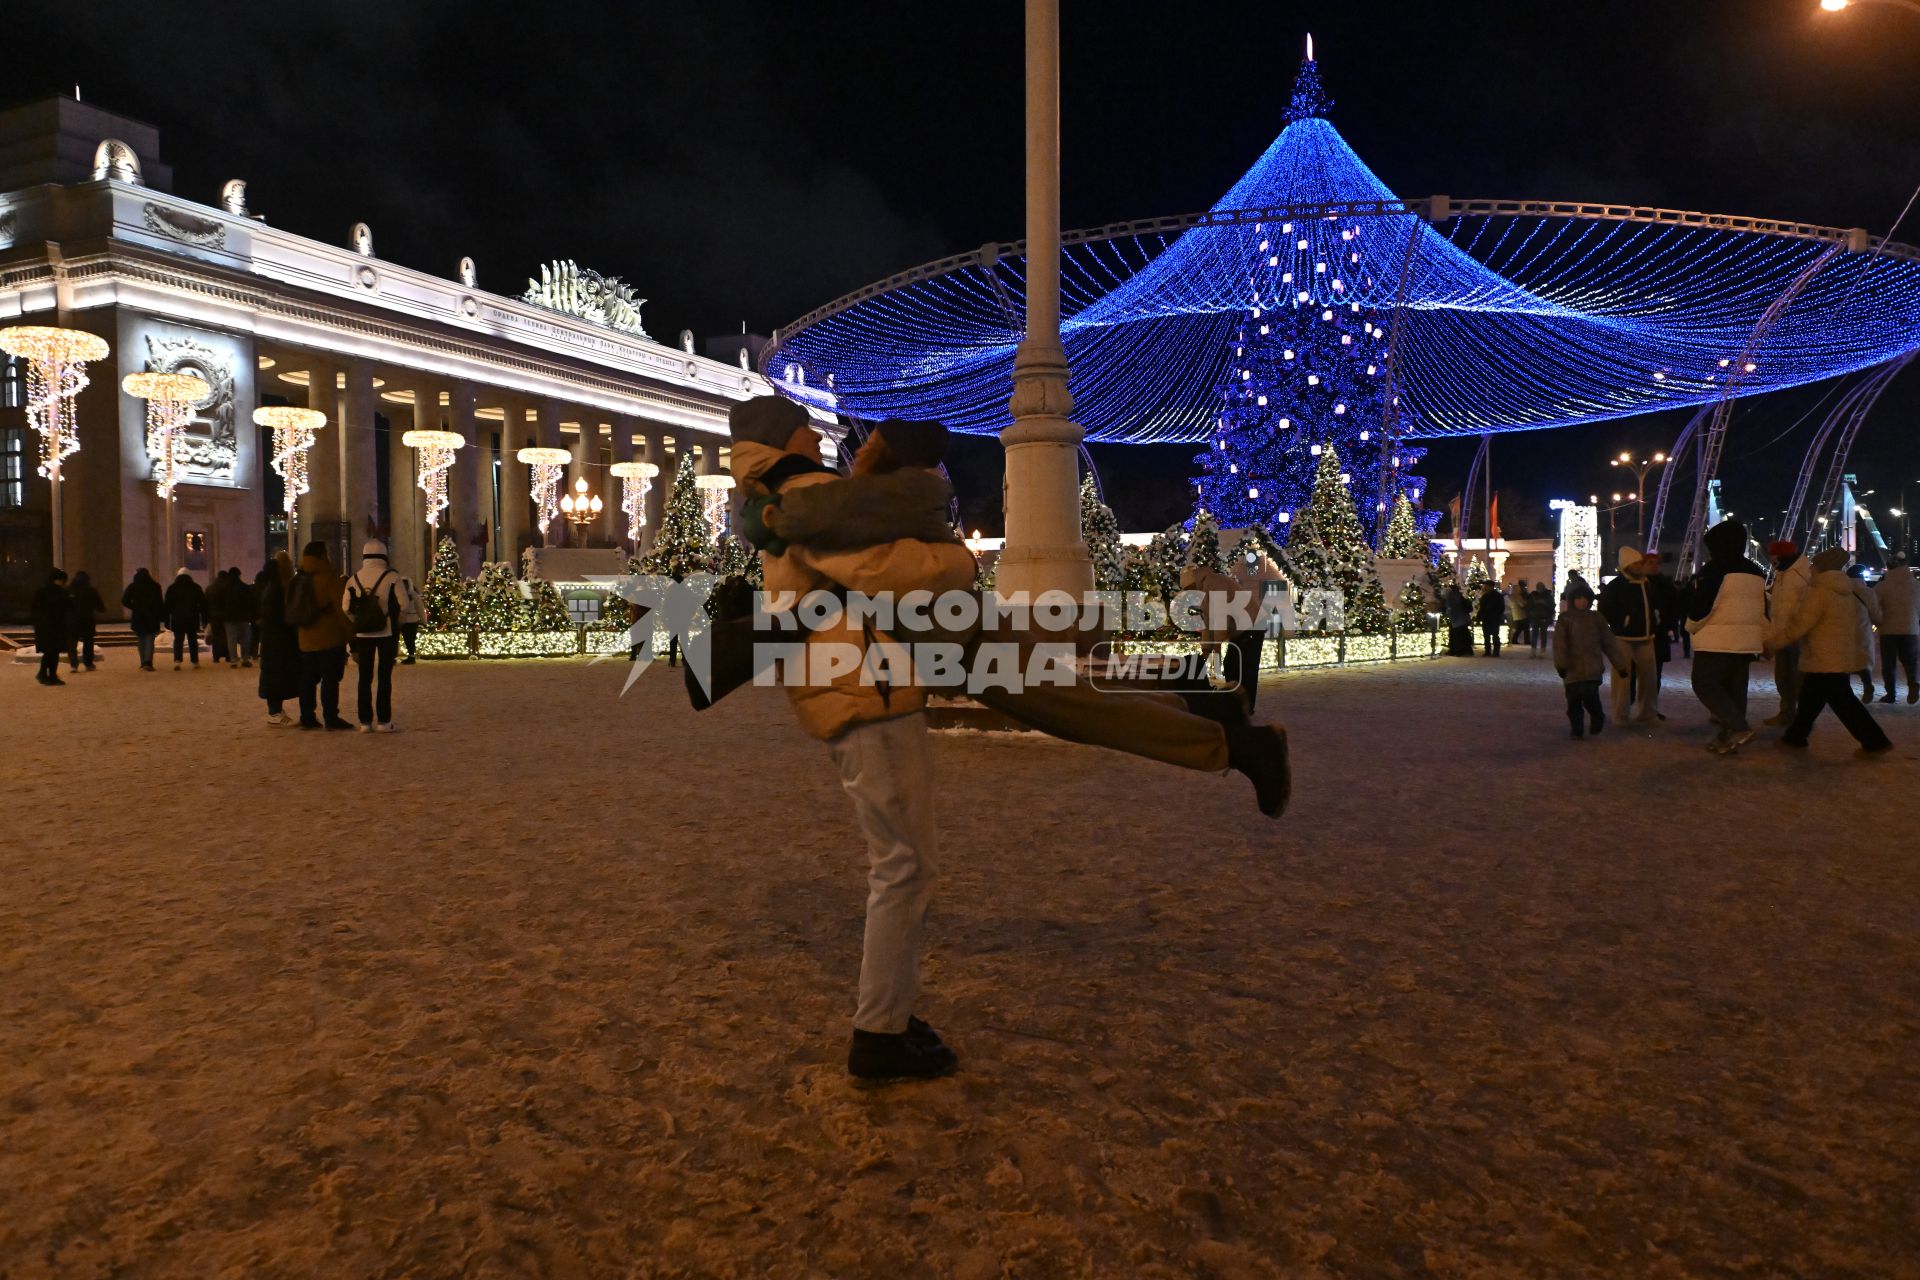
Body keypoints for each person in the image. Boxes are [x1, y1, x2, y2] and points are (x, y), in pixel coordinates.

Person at [729, 399, 1288, 1085]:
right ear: (779, 438)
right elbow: (914, 573)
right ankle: (880, 1034)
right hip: (871, 678)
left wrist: (891, 492)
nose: (819, 434)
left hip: (905, 658)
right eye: (804, 426)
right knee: (906, 862)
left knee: (1068, 698)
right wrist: (946, 546)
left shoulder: (790, 497)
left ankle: (1216, 725)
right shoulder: (803, 496)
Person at [1773, 547, 1892, 755]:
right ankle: (1796, 736)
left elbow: (1800, 626)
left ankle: (1875, 741)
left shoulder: (1819, 593)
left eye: (1813, 565)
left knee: (1842, 702)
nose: (1810, 569)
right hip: (1836, 655)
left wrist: (1773, 643)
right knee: (1812, 698)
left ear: (1821, 569)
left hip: (1823, 657)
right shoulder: (1844, 591)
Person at [1685, 518, 1768, 755]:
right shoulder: (1756, 571)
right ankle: (1727, 739)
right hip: (1745, 642)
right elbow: (1763, 608)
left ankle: (1740, 728)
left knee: (1704, 683)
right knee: (1735, 691)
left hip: (1716, 640)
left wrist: (1691, 626)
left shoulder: (1715, 570)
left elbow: (1703, 605)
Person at [288, 540, 354, 730]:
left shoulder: (298, 578)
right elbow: (342, 611)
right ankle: (331, 718)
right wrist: (351, 636)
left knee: (307, 680)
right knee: (330, 680)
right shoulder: (330, 578)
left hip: (305, 640)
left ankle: (307, 717)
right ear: (323, 555)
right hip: (329, 639)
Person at [342, 539, 406, 731]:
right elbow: (404, 604)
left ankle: (365, 722)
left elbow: (345, 607)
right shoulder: (392, 576)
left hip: (362, 634)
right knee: (384, 677)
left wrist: (358, 620)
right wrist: (394, 620)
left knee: (364, 677)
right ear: (384, 555)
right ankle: (384, 721)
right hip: (386, 632)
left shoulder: (354, 579)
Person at [1552, 582, 1627, 739]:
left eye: (1585, 598)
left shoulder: (1596, 618)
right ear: (1572, 600)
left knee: (1591, 698)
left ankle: (1597, 717)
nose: (1582, 601)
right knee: (1573, 701)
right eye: (1578, 598)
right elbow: (1560, 644)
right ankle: (1577, 728)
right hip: (1572, 669)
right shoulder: (1565, 619)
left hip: (1592, 667)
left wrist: (1620, 665)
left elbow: (1609, 643)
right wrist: (1561, 664)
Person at [1597, 547, 1661, 725]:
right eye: (1637, 563)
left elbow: (1653, 603)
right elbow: (1605, 609)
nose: (1641, 566)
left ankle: (1648, 712)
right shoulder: (1616, 586)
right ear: (1628, 565)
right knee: (1622, 678)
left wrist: (1655, 617)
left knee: (1649, 678)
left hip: (1647, 636)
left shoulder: (1646, 583)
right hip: (1623, 638)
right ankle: (1620, 714)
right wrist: (1619, 624)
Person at [254, 552, 302, 725]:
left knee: (275, 675)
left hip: (273, 640)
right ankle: (274, 713)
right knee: (275, 675)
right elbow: (279, 616)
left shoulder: (271, 587)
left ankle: (275, 711)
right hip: (277, 640)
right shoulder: (277, 589)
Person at [1873, 552, 1919, 703]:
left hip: (1889, 629)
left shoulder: (1882, 586)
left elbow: (1874, 607)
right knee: (1910, 660)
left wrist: (1877, 621)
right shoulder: (1915, 585)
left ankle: (1891, 694)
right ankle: (1913, 683)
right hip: (1910, 628)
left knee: (1889, 664)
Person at [30, 568, 70, 686]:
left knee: (53, 652)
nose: (62, 582)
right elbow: (37, 609)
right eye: (61, 580)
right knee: (50, 651)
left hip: (54, 626)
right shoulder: (47, 592)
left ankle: (51, 675)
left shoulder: (57, 592)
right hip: (48, 627)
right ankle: (44, 674)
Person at [211, 565, 255, 668]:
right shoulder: (244, 587)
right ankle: (245, 659)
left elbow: (217, 602)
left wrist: (220, 614)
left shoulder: (223, 588)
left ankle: (233, 660)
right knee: (245, 638)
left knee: (231, 639)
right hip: (243, 617)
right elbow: (250, 602)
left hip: (228, 617)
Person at [121, 568, 165, 671]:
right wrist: (160, 615)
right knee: (150, 639)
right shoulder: (155, 586)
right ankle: (148, 662)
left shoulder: (133, 586)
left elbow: (124, 600)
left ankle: (143, 661)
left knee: (141, 639)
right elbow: (160, 603)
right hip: (152, 616)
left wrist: (134, 607)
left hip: (138, 616)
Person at [163, 568, 207, 669]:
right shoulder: (195, 587)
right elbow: (203, 604)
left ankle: (177, 660)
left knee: (178, 640)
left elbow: (167, 606)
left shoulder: (172, 588)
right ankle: (195, 661)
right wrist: (204, 619)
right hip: (192, 618)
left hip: (177, 618)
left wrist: (166, 620)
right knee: (192, 640)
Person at [65, 570, 104, 672]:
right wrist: (101, 609)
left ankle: (73, 664)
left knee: (72, 643)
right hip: (87, 620)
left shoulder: (69, 590)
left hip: (72, 621)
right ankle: (88, 663)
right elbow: (99, 605)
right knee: (88, 642)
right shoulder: (90, 590)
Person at [396, 573, 423, 664]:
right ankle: (407, 656)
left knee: (410, 639)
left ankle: (411, 656)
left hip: (411, 620)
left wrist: (423, 620)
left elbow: (420, 608)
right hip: (405, 619)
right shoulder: (411, 595)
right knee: (404, 639)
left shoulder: (414, 595)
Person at [1475, 582, 1506, 656]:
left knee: (1490, 635)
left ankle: (1491, 651)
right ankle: (1493, 652)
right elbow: (1482, 607)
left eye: (1486, 586)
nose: (1484, 587)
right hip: (1491, 618)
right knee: (1491, 635)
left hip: (1490, 618)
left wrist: (1479, 616)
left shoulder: (1490, 596)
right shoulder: (1492, 595)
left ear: (1490, 586)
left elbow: (1483, 608)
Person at [1444, 584, 1473, 656]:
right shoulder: (1460, 596)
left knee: (1457, 636)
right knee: (1463, 635)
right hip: (1462, 619)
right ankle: (1466, 650)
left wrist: (1452, 617)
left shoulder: (1452, 597)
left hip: (1457, 620)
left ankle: (1458, 651)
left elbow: (1453, 608)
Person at [1527, 581, 1553, 657]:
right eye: (1539, 587)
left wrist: (1544, 604)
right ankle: (1534, 651)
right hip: (1536, 617)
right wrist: (1535, 604)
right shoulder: (1533, 595)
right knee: (1535, 634)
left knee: (1543, 634)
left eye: (1541, 587)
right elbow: (1529, 606)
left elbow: (1551, 607)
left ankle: (1541, 651)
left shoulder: (1548, 596)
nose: (1540, 589)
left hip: (1544, 617)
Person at [1508, 579, 1531, 650]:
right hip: (1520, 613)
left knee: (1520, 628)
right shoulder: (1517, 595)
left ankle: (1514, 640)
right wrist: (1527, 602)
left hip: (1516, 614)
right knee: (1524, 627)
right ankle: (1526, 640)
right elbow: (1522, 604)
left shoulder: (1512, 595)